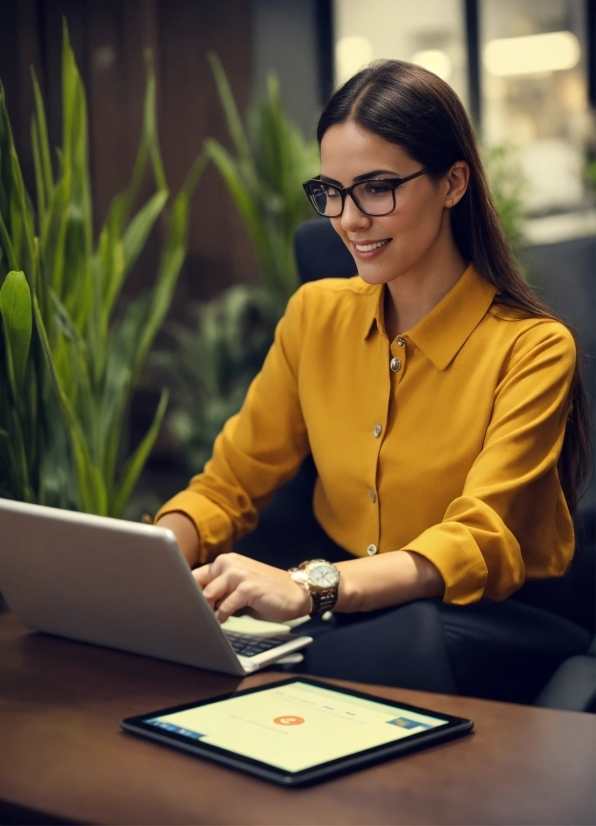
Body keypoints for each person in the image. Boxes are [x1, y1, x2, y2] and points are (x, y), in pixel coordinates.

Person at [156, 61, 591, 701]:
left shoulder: (532, 347)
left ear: (453, 183)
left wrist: (309, 587)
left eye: (377, 188)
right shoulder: (315, 315)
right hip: (351, 615)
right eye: (331, 192)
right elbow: (229, 485)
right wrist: (148, 564)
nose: (349, 219)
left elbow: (475, 537)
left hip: (484, 624)